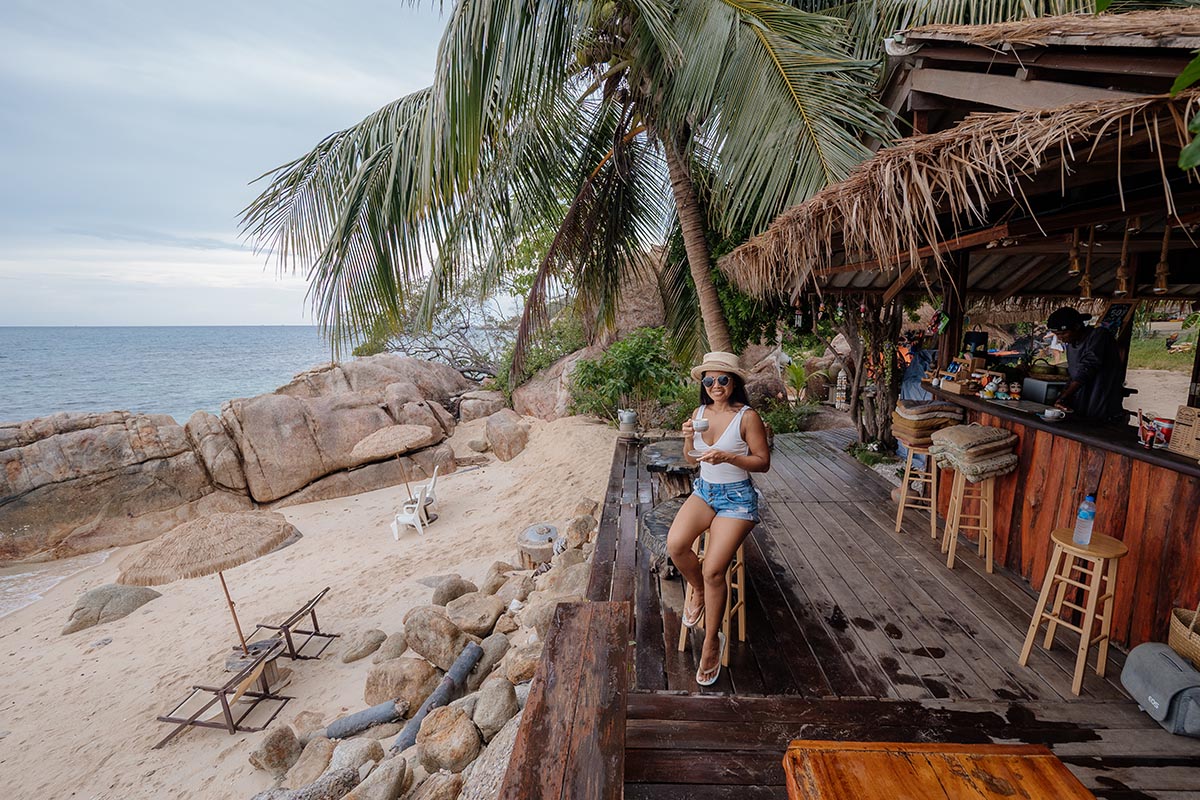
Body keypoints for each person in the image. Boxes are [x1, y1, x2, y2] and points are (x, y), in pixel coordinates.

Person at [667, 351, 771, 686]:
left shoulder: (747, 417)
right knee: (676, 545)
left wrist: (729, 456)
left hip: (737, 498)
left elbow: (762, 462)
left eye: (722, 379)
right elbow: (690, 457)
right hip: (705, 491)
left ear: (734, 382)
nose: (715, 386)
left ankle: (712, 640)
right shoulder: (699, 413)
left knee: (713, 569)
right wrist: (686, 437)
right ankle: (696, 589)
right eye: (709, 380)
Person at [1046, 307, 1126, 423]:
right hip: (1083, 402)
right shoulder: (1071, 344)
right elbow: (1074, 374)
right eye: (1057, 334)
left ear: (1077, 327)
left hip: (1101, 401)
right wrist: (1062, 396)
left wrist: (1064, 397)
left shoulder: (1099, 336)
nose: (1060, 338)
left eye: (1063, 333)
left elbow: (1086, 369)